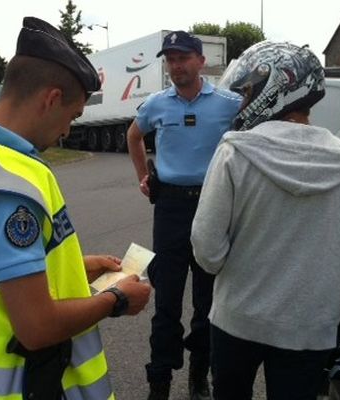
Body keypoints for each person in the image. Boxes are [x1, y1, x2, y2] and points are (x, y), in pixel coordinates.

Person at [0, 16, 151, 400]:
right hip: (22, 386)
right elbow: (37, 327)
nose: (66, 131)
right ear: (51, 99)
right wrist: (117, 300)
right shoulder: (3, 186)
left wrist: (78, 266)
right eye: (72, 116)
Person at [190, 41, 340, 400]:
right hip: (309, 328)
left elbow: (207, 249)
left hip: (237, 319)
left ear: (272, 89)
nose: (243, 102)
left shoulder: (235, 152)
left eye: (247, 92)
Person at [126, 30, 242, 400]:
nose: (175, 66)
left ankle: (198, 376)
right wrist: (143, 176)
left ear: (199, 60)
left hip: (213, 205)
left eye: (182, 58)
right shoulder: (157, 104)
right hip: (171, 209)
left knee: (208, 302)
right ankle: (159, 380)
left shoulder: (229, 103)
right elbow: (133, 135)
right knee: (167, 304)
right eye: (170, 60)